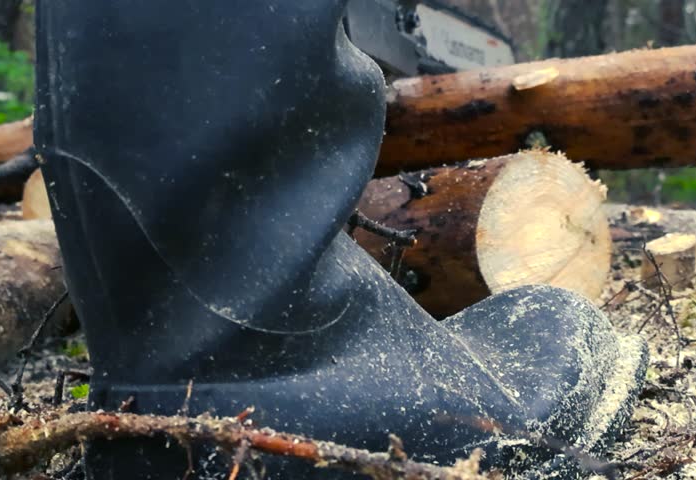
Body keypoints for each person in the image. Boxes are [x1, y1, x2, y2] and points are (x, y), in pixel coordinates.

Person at [34, 2, 646, 478]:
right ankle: (287, 374)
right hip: (284, 406)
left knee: (176, 361)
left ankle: (172, 401)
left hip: (153, 393)